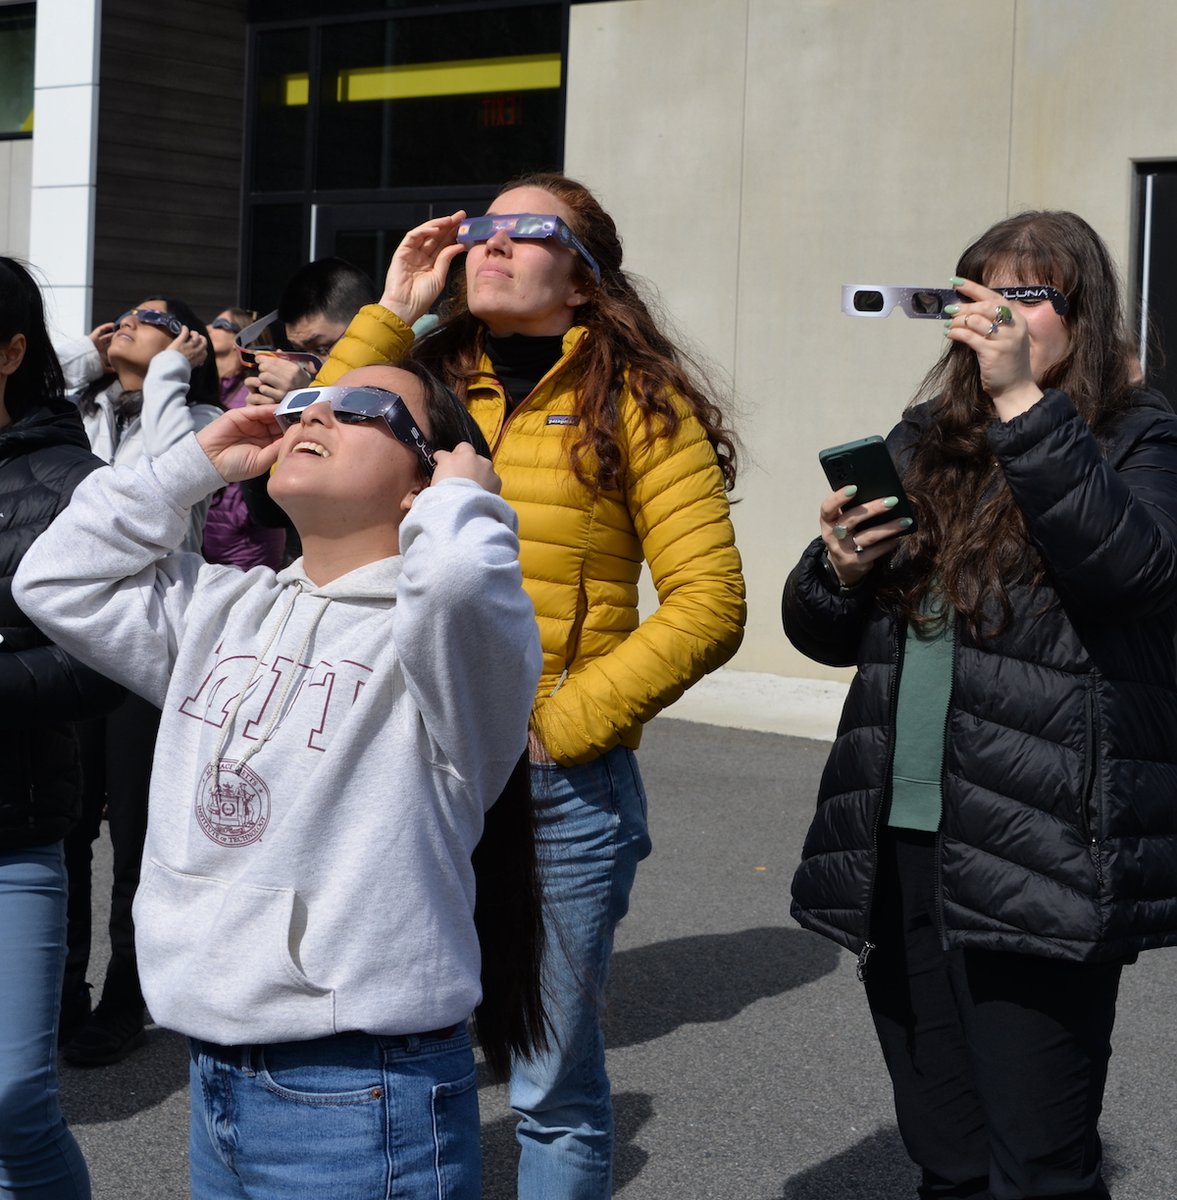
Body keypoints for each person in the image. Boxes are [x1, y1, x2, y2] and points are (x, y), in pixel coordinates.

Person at [313, 172, 746, 1199]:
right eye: (481, 228)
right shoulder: (425, 377)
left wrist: (553, 729)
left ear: (587, 278)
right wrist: (393, 310)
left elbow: (707, 602)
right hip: (403, 767)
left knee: (547, 1084)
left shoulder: (639, 400)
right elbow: (315, 441)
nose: (492, 245)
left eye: (526, 230)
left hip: (556, 787)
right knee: (404, 1054)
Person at [16, 360, 546, 1199]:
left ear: (426, 478)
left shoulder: (443, 645)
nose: (315, 416)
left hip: (361, 1084)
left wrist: (464, 500)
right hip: (216, 1069)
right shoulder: (223, 608)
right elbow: (55, 576)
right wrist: (194, 463)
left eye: (365, 408)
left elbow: (454, 582)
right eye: (304, 402)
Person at [782, 210, 1177, 1199]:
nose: (995, 314)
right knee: (946, 1154)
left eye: (1028, 295)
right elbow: (818, 629)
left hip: (1041, 843)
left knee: (1038, 1164)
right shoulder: (925, 440)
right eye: (979, 291)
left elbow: (1130, 572)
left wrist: (1022, 403)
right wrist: (836, 566)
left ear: (1080, 317)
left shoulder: (1139, 439)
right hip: (902, 838)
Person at [56, 297, 222, 1066]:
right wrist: (90, 365)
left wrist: (169, 379)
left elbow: (170, 481)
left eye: (152, 316)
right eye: (124, 312)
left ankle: (126, 996)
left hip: (141, 644)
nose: (128, 318)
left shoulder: (198, 417)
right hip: (67, 639)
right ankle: (57, 993)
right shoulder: (83, 409)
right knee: (62, 831)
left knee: (134, 837)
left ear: (184, 345)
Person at [0, 256, 122, 1198]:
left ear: (9, 351)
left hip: (13, 832)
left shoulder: (74, 482)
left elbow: (104, 661)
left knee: (13, 1100)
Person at [203, 308, 286, 570]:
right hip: (210, 531)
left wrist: (244, 514)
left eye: (220, 324)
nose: (208, 326)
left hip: (248, 538)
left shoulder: (256, 389)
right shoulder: (210, 389)